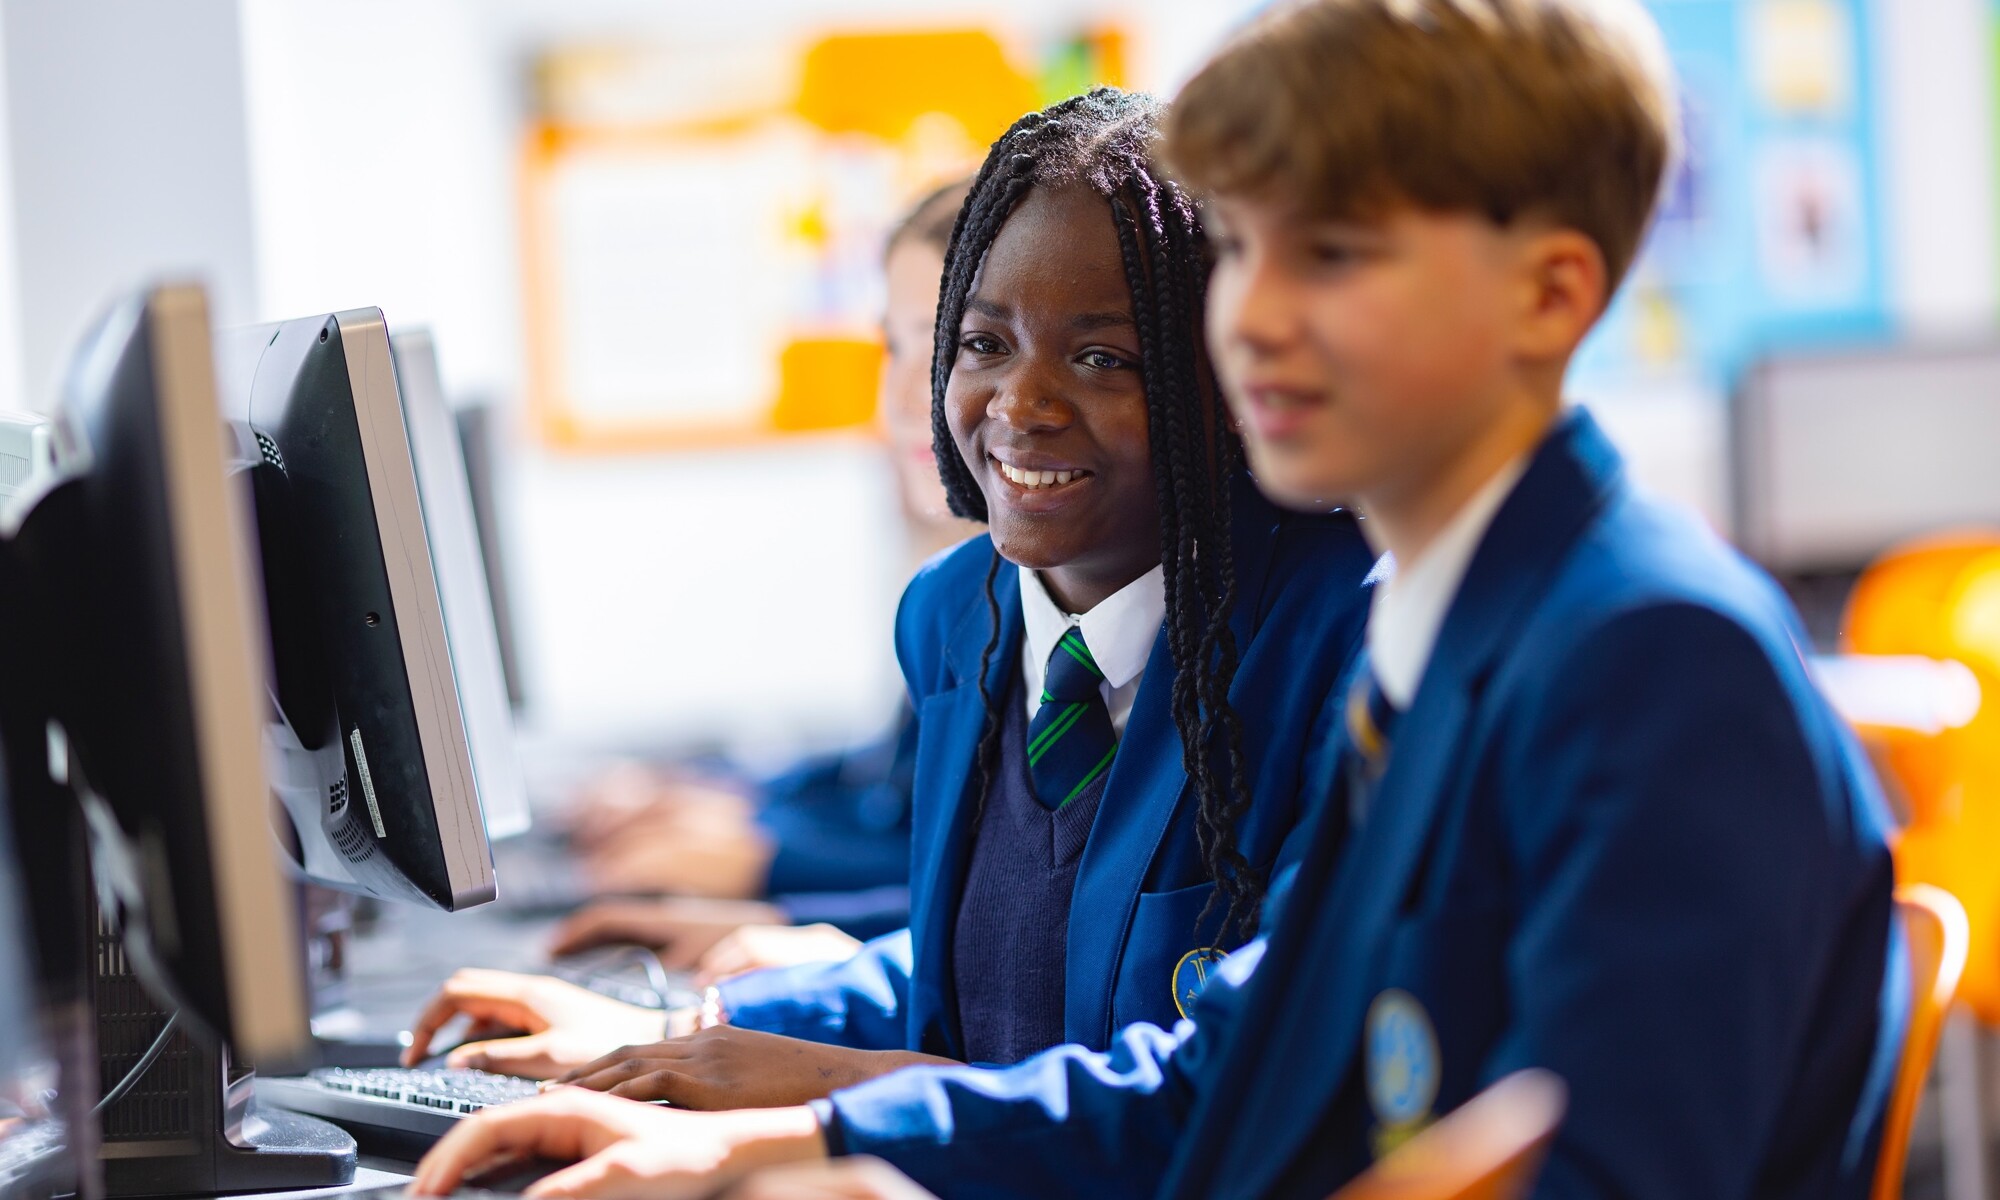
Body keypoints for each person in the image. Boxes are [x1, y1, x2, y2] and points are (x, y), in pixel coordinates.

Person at [408, 3, 1902, 1198]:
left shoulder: (1646, 660)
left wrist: (809, 1141)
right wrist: (790, 1139)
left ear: (1551, 294)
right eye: (1241, 249)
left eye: (1333, 254)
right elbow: (1229, 1081)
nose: (1252, 318)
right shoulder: (1450, 635)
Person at [406, 87, 1376, 1102]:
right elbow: (987, 976)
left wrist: (823, 1108)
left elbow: (1224, 1085)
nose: (1019, 405)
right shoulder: (958, 614)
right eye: (983, 344)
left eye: (1101, 357)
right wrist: (697, 1030)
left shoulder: (1345, 642)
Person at [546, 181, 980, 970]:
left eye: (955, 349)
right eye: (895, 349)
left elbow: (974, 883)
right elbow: (883, 788)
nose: (899, 397)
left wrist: (767, 871)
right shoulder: (962, 596)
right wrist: (732, 804)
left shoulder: (1061, 616)